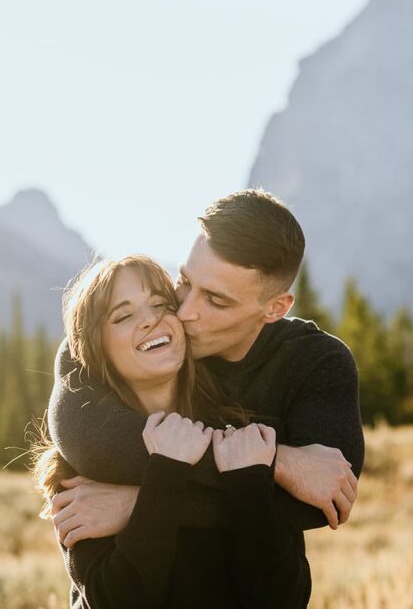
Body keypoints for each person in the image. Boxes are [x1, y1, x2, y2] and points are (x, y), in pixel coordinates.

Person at [47, 190, 365, 601]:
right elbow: (91, 444)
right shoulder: (97, 350)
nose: (183, 311)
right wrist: (275, 461)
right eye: (183, 282)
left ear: (275, 308)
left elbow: (317, 502)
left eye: (215, 299)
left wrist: (136, 504)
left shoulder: (314, 363)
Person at [34, 254, 311, 606]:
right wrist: (166, 470)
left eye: (161, 305)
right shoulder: (82, 465)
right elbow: (111, 600)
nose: (150, 320)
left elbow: (286, 597)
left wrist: (247, 481)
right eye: (123, 315)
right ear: (96, 349)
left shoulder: (244, 433)